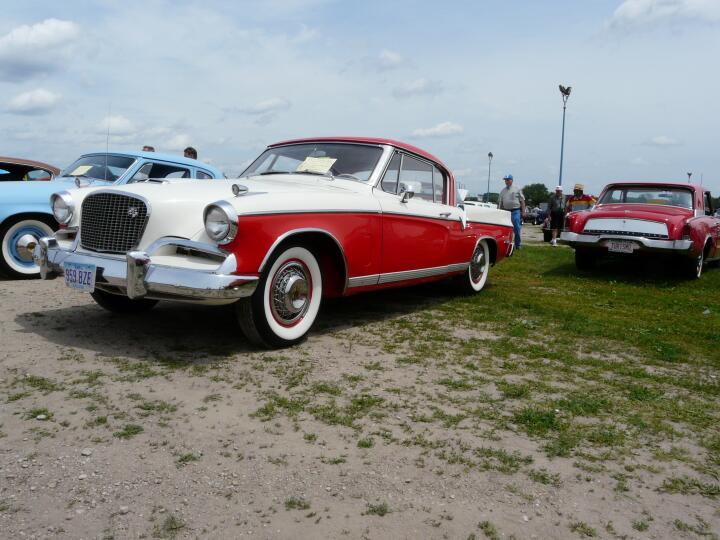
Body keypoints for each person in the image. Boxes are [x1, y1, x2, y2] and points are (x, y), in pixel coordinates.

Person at [498, 174, 526, 250]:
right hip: (506, 212)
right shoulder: (503, 191)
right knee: (506, 228)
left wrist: (523, 211)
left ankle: (518, 245)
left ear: (511, 180)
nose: (506, 181)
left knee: (516, 227)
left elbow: (522, 201)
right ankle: (507, 244)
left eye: (507, 180)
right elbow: (500, 203)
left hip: (515, 211)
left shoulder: (517, 189)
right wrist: (499, 212)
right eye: (505, 180)